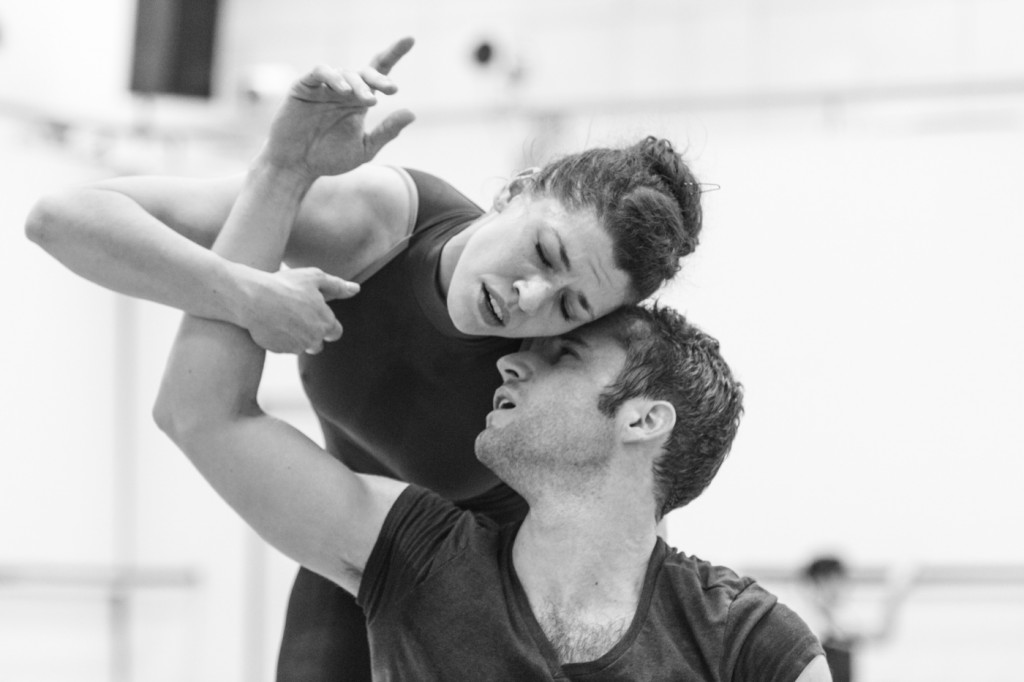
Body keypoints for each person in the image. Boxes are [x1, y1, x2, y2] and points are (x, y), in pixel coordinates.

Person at [24, 37, 706, 680]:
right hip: (343, 548)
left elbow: (629, 520)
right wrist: (245, 290)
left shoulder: (564, 364)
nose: (529, 298)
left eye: (569, 306)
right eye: (544, 254)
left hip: (487, 597)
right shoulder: (373, 223)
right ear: (518, 190)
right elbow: (63, 219)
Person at [153, 269, 829, 679]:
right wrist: (282, 173)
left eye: (562, 355)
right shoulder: (417, 552)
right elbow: (200, 412)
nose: (510, 365)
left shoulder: (753, 642)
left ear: (644, 420)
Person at [800, 555, 914, 682]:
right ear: (821, 582)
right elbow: (874, 634)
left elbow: (879, 634)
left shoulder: (833, 621)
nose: (841, 588)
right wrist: (894, 596)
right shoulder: (811, 622)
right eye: (836, 581)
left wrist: (894, 598)